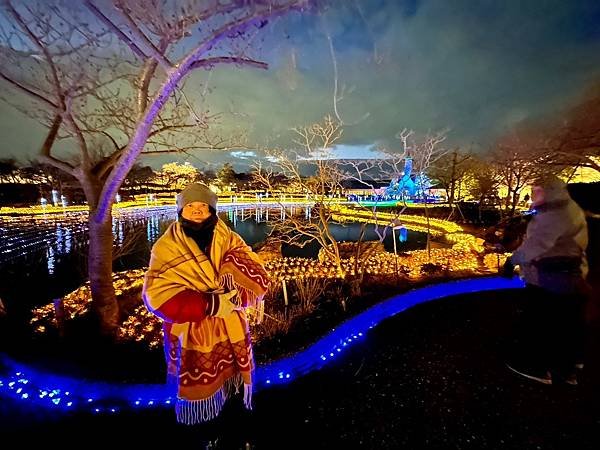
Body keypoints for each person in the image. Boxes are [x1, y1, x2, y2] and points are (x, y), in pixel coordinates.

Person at [143, 182, 269, 426]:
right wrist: (210, 304)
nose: (198, 210)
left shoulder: (229, 237)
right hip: (192, 328)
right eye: (191, 205)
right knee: (200, 393)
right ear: (181, 211)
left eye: (203, 205)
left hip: (230, 321)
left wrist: (233, 296)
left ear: (212, 209)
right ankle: (204, 423)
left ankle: (229, 415)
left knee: (230, 386)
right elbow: (156, 295)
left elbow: (255, 268)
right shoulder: (166, 247)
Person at [502, 175, 589, 385]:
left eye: (537, 191)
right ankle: (569, 366)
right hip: (569, 275)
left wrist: (511, 261)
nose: (533, 195)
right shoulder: (566, 208)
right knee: (567, 320)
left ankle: (535, 366)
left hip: (550, 277)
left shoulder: (555, 215)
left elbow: (537, 245)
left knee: (540, 320)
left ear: (551, 191)